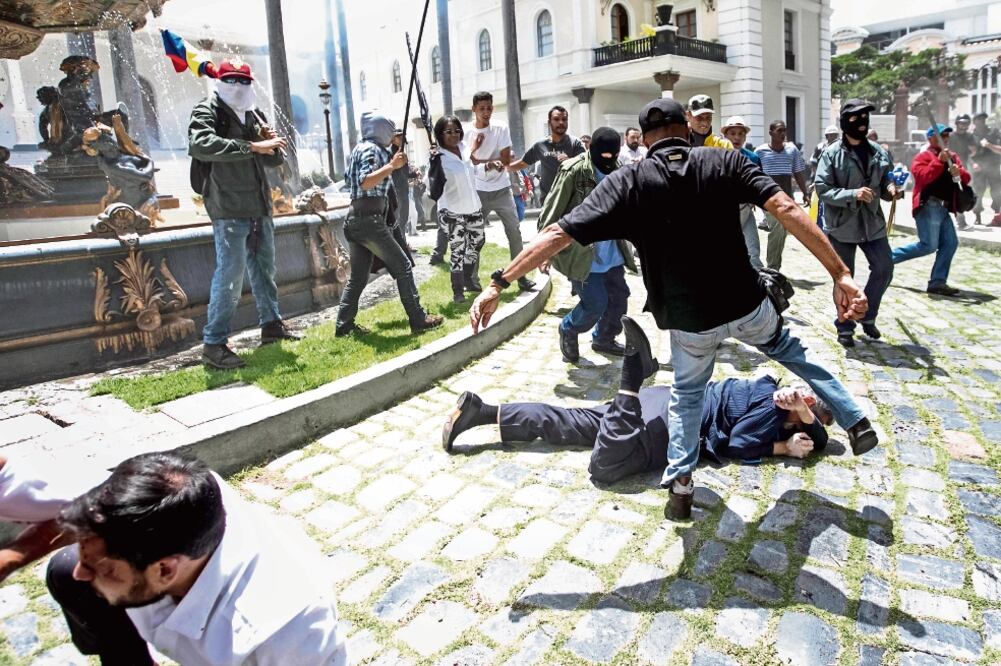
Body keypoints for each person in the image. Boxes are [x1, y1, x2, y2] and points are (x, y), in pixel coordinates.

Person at [469, 98, 877, 521]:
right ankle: (855, 420)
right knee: (794, 353)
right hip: (747, 305)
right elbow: (787, 209)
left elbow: (557, 233)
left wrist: (498, 283)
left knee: (686, 397)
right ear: (687, 126)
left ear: (645, 139)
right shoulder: (725, 162)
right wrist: (841, 274)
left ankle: (681, 486)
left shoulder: (627, 182)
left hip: (689, 321)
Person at [46, 452, 348, 665]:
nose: (81, 573)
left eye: (101, 568)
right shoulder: (179, 496)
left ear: (164, 570)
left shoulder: (289, 630)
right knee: (62, 572)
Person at [444, 319, 832, 479]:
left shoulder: (766, 388)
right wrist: (781, 447)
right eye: (806, 401)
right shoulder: (771, 409)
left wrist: (801, 421)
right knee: (605, 467)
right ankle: (631, 377)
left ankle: (482, 412)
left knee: (571, 424)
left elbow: (820, 439)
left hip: (662, 401)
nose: (800, 398)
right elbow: (737, 444)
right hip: (669, 425)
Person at [188, 58, 301, 370]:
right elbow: (200, 144)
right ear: (221, 82)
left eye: (243, 80)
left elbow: (272, 158)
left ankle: (272, 325)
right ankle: (213, 344)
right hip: (227, 207)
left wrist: (270, 143)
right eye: (232, 80)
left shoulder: (252, 112)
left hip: (258, 204)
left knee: (265, 269)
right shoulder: (207, 109)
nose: (238, 86)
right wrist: (252, 146)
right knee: (230, 275)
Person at [335, 111, 444, 337]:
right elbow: (365, 182)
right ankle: (418, 318)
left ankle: (344, 326)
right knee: (402, 266)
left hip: (355, 218)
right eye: (389, 128)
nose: (392, 133)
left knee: (357, 278)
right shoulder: (372, 150)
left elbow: (349, 180)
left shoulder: (358, 148)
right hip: (370, 220)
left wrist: (392, 162)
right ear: (380, 129)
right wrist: (391, 166)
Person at [538, 127, 637, 361]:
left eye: (611, 157)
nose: (607, 162)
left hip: (612, 252)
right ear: (590, 148)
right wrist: (544, 252)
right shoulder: (573, 170)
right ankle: (569, 328)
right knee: (595, 303)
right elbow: (551, 212)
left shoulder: (620, 170)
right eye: (602, 157)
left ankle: (603, 338)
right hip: (584, 254)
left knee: (618, 299)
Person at [815, 99, 899, 348]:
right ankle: (845, 325)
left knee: (884, 268)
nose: (861, 123)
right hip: (842, 226)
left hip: (872, 224)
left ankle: (867, 314)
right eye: (854, 118)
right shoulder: (831, 154)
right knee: (843, 279)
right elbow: (822, 189)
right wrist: (853, 194)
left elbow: (887, 177)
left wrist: (890, 189)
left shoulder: (878, 151)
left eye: (865, 118)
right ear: (844, 122)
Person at [466, 91, 535, 291]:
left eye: (489, 108)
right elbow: (466, 162)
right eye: (481, 109)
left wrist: (479, 161)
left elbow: (505, 161)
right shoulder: (466, 131)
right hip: (478, 191)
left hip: (502, 189)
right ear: (474, 110)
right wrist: (485, 163)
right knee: (475, 236)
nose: (486, 112)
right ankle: (471, 280)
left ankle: (521, 276)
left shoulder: (500, 127)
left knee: (514, 232)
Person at [891, 123, 970, 297]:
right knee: (928, 246)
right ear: (931, 138)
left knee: (950, 243)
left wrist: (958, 172)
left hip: (944, 208)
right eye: (942, 136)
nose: (946, 139)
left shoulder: (953, 157)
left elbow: (965, 178)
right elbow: (923, 177)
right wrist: (939, 162)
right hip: (928, 206)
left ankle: (937, 282)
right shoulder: (923, 157)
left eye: (947, 136)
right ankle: (888, 258)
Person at [433, 115, 486, 304]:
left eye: (456, 130)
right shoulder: (437, 156)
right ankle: (458, 291)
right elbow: (430, 184)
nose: (454, 134)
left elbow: (471, 170)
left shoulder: (464, 149)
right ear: (440, 135)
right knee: (458, 249)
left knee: (478, 241)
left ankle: (466, 277)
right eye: (448, 132)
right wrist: (433, 165)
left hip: (473, 206)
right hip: (451, 210)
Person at [755, 120, 811, 271]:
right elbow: (753, 175)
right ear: (771, 132)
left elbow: (798, 173)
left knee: (781, 231)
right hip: (767, 198)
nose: (782, 133)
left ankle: (773, 266)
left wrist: (805, 193)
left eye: (784, 130)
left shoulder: (792, 151)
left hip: (786, 198)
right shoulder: (760, 152)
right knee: (778, 227)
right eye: (779, 130)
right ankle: (773, 268)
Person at [508, 105, 586, 204]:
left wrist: (570, 161)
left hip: (572, 199)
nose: (561, 122)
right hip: (549, 200)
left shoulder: (576, 143)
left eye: (564, 119)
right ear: (549, 122)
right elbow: (523, 163)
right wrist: (505, 167)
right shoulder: (540, 145)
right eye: (556, 119)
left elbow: (586, 166)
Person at [721, 115, 763, 269]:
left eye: (741, 133)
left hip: (745, 210)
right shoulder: (715, 156)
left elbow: (759, 183)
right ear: (725, 135)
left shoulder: (753, 157)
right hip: (723, 213)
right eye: (732, 133)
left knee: (753, 253)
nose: (736, 137)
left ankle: (760, 289)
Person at [969, 112, 1001, 226]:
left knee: (997, 192)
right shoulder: (971, 136)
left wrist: (989, 145)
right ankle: (977, 217)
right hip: (979, 168)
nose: (981, 122)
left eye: (983, 120)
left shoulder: (994, 133)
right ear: (974, 122)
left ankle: (997, 217)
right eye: (979, 120)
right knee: (978, 193)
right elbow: (967, 154)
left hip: (993, 166)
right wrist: (973, 164)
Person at [949, 114, 977, 229]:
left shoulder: (969, 137)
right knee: (954, 194)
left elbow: (973, 151)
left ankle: (961, 221)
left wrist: (972, 162)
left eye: (966, 123)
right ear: (957, 124)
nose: (963, 126)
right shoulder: (951, 136)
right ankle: (960, 222)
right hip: (951, 167)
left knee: (962, 193)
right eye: (961, 123)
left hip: (964, 167)